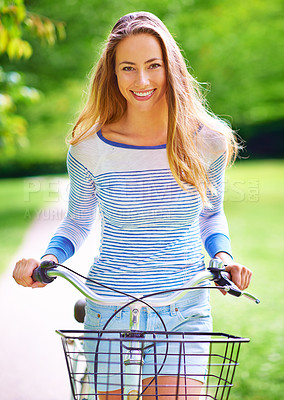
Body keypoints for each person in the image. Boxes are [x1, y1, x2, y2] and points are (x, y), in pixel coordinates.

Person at [13, 11, 252, 399]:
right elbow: (76, 221)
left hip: (184, 307)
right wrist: (47, 261)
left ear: (169, 68)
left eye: (152, 66)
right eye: (128, 68)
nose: (141, 81)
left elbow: (210, 213)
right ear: (113, 73)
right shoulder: (89, 147)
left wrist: (223, 259)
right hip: (109, 307)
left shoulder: (207, 140)